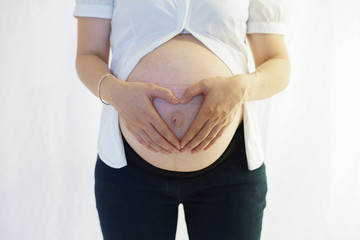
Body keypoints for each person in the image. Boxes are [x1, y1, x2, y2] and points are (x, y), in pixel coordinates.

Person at [73, 0, 290, 239]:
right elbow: (88, 55)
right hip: (129, 169)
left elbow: (277, 62)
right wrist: (116, 93)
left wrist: (242, 87)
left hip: (230, 170)